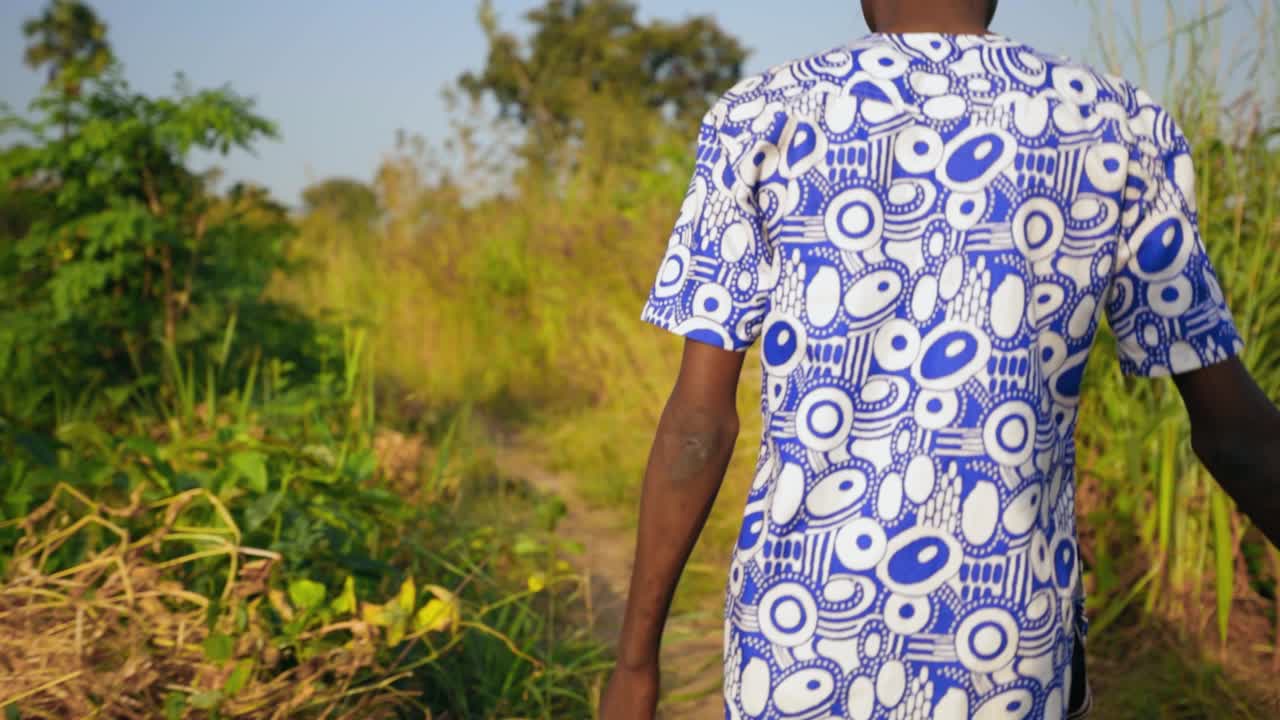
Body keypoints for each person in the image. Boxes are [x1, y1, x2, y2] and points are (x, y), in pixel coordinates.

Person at [600, 0, 1280, 718]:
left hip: (798, 648)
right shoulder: (1119, 123)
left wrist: (636, 664)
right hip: (1010, 658)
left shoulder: (764, 114)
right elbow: (1236, 434)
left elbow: (698, 429)